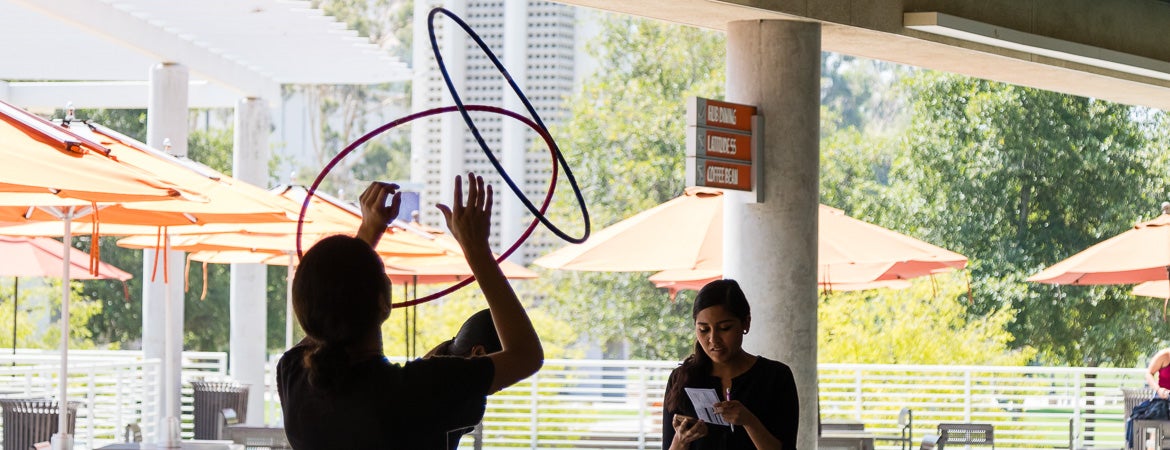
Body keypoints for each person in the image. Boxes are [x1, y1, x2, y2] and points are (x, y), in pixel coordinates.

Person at [277, 173, 543, 449]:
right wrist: (476, 250)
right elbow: (526, 356)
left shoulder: (294, 377)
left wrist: (368, 232)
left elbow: (325, 311)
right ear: (384, 302)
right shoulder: (417, 391)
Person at [662, 279, 798, 450]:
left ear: (745, 323)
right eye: (703, 329)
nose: (713, 339)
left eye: (724, 328)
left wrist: (750, 422)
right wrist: (681, 441)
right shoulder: (682, 379)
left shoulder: (776, 377)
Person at [422, 308, 502, 450]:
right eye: (506, 366)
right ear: (479, 353)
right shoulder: (458, 397)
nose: (506, 382)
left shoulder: (433, 379)